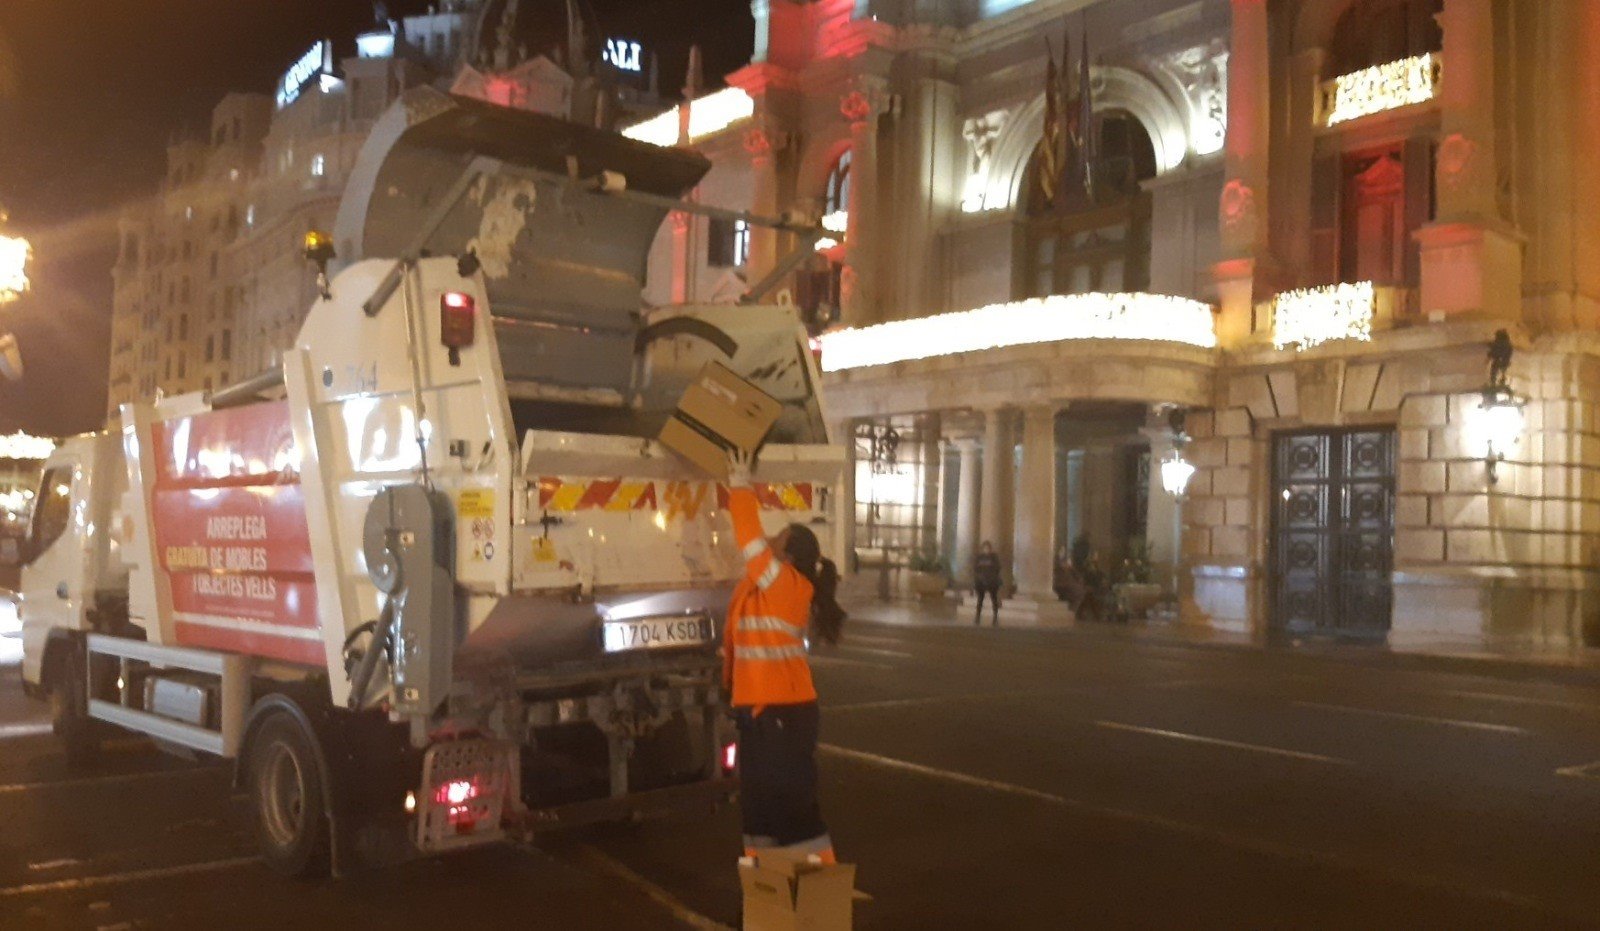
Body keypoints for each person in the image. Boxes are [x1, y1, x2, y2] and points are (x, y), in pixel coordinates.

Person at [722, 447, 846, 865]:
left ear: (788, 557)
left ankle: (817, 903)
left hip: (783, 714)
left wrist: (741, 485)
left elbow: (749, 540)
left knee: (793, 812)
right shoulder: (765, 587)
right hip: (762, 712)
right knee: (759, 813)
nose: (769, 540)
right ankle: (766, 901)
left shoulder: (788, 584)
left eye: (778, 539)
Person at [973, 541, 1002, 627]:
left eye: (988, 548)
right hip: (981, 581)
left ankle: (995, 616)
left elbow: (998, 568)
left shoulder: (994, 557)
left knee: (994, 599)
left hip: (992, 581)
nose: (986, 550)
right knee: (980, 600)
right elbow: (975, 568)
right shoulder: (979, 557)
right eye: (985, 548)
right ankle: (977, 616)